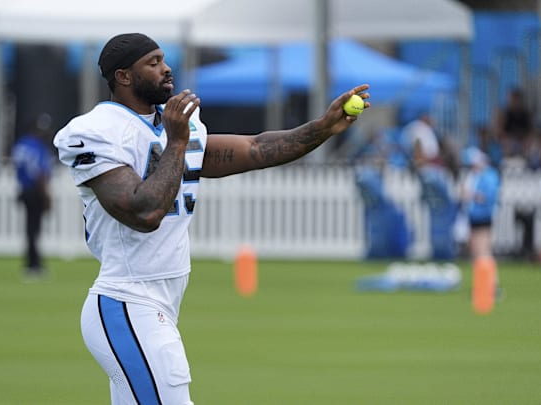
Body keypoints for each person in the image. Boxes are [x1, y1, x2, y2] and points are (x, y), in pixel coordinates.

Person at [52, 33, 369, 404]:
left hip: (159, 302)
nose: (166, 68)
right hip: (127, 299)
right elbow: (146, 212)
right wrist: (177, 142)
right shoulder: (98, 130)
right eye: (152, 63)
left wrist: (323, 127)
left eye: (163, 59)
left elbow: (255, 149)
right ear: (123, 77)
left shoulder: (176, 128)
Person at [12, 113, 54, 278]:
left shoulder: (21, 144)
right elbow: (40, 173)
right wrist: (46, 196)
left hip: (24, 189)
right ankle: (34, 264)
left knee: (30, 228)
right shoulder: (38, 147)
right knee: (34, 229)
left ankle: (31, 261)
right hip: (36, 191)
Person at [459, 147, 501, 264]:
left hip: (483, 216)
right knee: (476, 249)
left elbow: (487, 197)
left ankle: (490, 279)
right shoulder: (474, 176)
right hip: (474, 216)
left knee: (483, 249)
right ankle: (482, 278)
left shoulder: (489, 176)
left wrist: (471, 195)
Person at [494, 87, 534, 161]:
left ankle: (527, 161)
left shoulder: (525, 114)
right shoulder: (504, 114)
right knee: (507, 142)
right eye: (512, 99)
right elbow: (499, 131)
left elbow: (530, 130)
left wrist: (521, 136)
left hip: (522, 140)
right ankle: (507, 160)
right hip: (508, 140)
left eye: (516, 99)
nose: (514, 101)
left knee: (529, 141)